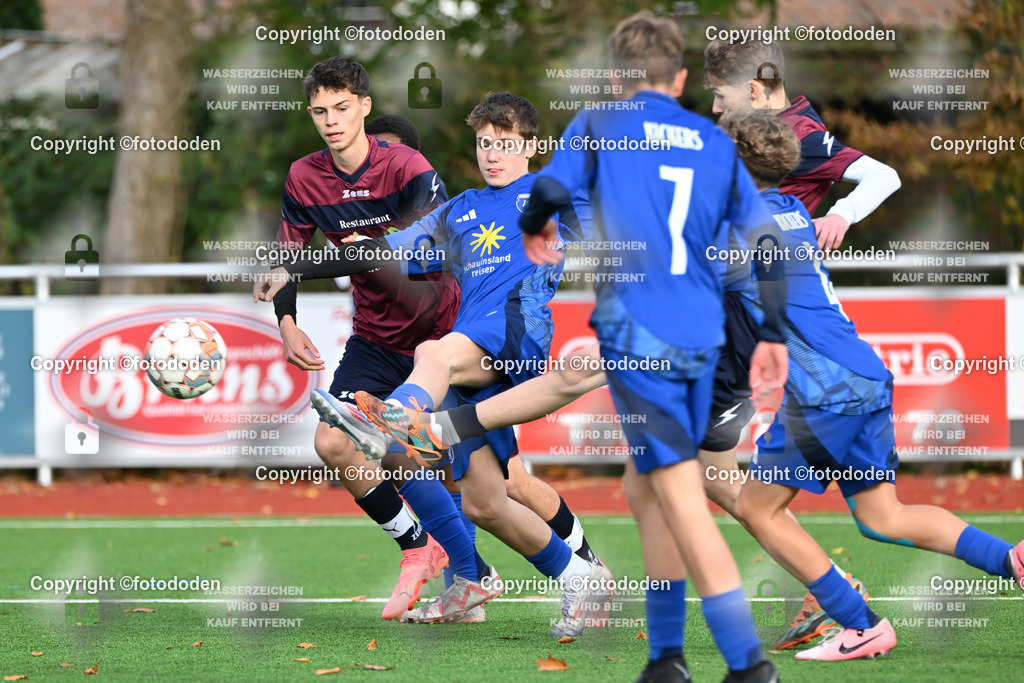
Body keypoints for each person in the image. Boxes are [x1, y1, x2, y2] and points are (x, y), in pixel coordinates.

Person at [257, 92, 614, 637]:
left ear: (531, 146)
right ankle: (580, 576)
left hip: (515, 332)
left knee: (431, 353)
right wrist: (292, 270)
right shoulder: (460, 209)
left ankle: (394, 418)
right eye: (484, 144)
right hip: (470, 347)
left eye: (506, 144)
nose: (493, 154)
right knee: (486, 503)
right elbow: (375, 254)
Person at [518, 13, 788, 683]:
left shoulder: (598, 123)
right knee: (647, 489)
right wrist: (776, 332)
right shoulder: (714, 139)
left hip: (641, 339)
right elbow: (767, 243)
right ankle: (666, 658)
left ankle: (748, 664)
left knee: (677, 490)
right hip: (704, 337)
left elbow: (546, 191)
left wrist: (533, 226)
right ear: (682, 77)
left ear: (616, 76)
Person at [716, 107, 1024, 661]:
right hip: (863, 374)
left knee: (758, 509)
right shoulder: (787, 207)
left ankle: (861, 624)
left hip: (826, 390)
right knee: (885, 517)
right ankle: (1011, 560)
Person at [270, 56, 490, 623]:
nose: (330, 120)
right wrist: (287, 321)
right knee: (335, 442)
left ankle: (575, 564)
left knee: (490, 487)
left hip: (442, 341)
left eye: (341, 108)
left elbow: (412, 252)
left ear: (365, 106)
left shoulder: (408, 167)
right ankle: (418, 547)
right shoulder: (304, 176)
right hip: (374, 339)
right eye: (319, 111)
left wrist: (304, 269)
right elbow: (287, 256)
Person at [702, 36, 901, 648]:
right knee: (710, 471)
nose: (714, 110)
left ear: (755, 92)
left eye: (720, 96)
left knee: (706, 472)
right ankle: (827, 584)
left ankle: (832, 588)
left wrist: (842, 215)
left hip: (751, 312)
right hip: (755, 303)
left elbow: (883, 175)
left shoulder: (798, 134)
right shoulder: (772, 132)